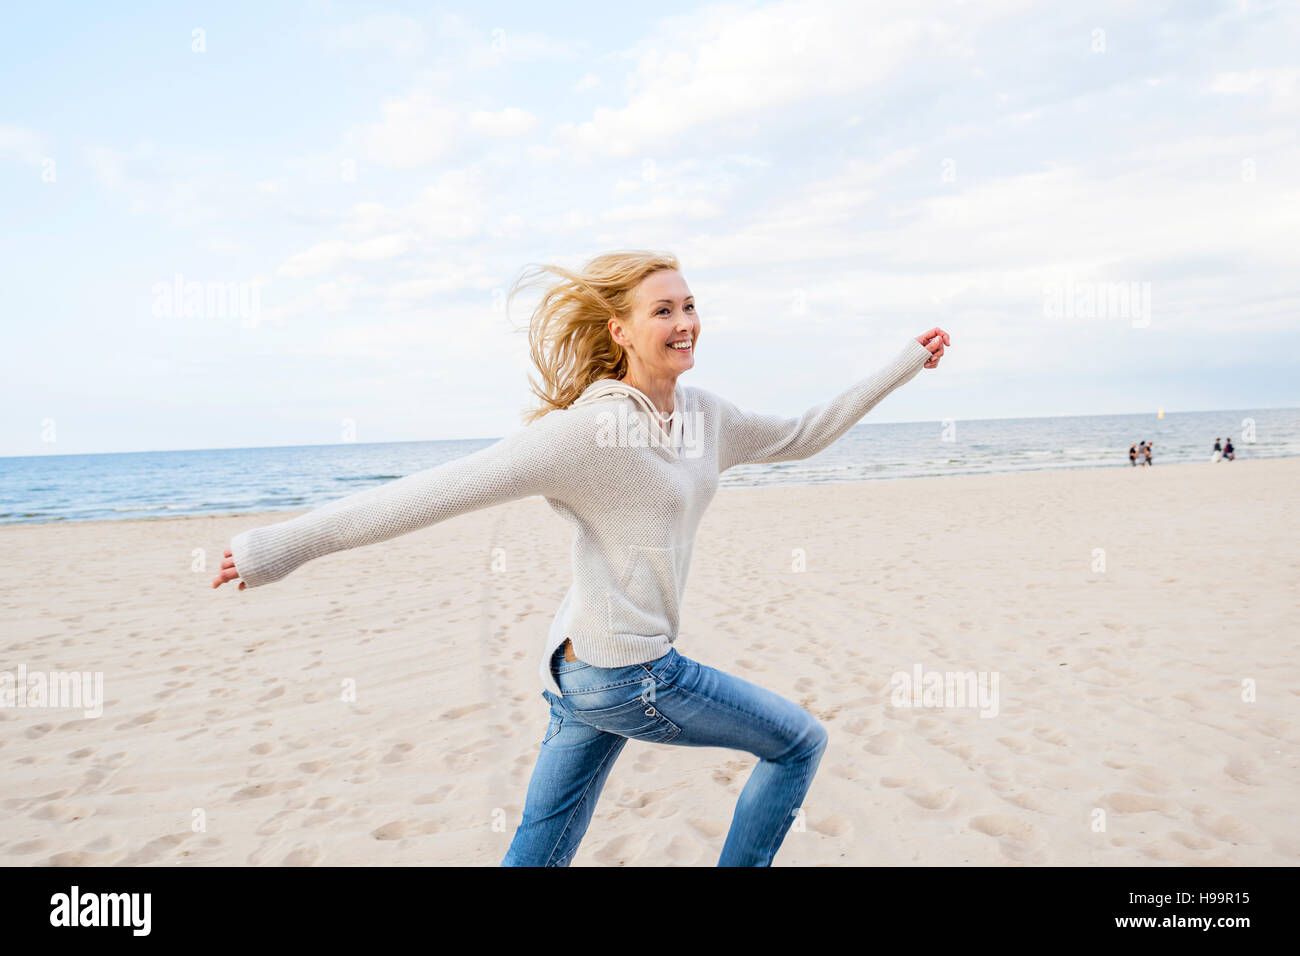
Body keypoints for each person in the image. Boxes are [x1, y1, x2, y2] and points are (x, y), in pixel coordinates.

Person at [209, 250, 950, 866]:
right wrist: (273, 549)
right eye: (662, 310)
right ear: (619, 330)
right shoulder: (585, 435)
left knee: (540, 846)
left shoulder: (707, 417)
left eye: (689, 305)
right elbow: (429, 494)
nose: (685, 322)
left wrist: (906, 363)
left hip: (578, 669)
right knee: (799, 743)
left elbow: (804, 433)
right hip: (630, 675)